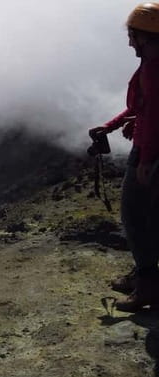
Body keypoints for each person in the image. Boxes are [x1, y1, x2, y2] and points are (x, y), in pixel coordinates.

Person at [91, 3, 159, 312]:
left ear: (145, 37)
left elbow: (155, 115)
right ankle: (144, 274)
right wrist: (112, 125)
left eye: (132, 35)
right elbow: (143, 108)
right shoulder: (151, 63)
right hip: (149, 147)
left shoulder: (154, 68)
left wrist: (145, 160)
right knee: (145, 215)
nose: (129, 41)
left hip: (151, 152)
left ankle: (147, 285)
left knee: (135, 215)